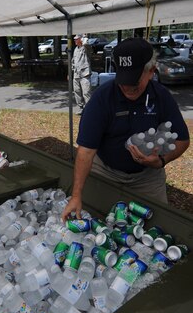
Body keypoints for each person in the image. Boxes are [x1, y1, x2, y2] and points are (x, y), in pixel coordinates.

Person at [62, 37, 190, 221]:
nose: (128, 89)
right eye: (123, 81)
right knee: (97, 217)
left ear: (151, 71)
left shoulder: (161, 96)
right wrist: (76, 195)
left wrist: (161, 161)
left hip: (148, 177)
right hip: (105, 169)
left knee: (156, 223)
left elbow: (182, 140)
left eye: (134, 83)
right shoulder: (101, 98)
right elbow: (86, 151)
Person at [72, 33, 91, 115]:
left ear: (81, 39)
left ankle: (89, 109)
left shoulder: (85, 48)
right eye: (75, 39)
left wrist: (85, 38)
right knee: (77, 91)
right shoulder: (75, 49)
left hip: (84, 74)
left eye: (76, 39)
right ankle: (80, 107)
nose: (75, 40)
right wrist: (70, 73)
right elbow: (73, 61)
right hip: (76, 74)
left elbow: (87, 45)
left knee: (86, 92)